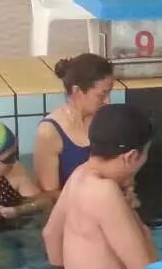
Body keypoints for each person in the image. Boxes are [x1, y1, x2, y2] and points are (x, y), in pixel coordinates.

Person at [43, 104, 158, 269]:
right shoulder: (106, 193)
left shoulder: (79, 175)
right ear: (130, 157)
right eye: (146, 154)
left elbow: (50, 233)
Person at [33, 53, 116, 194]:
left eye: (109, 93)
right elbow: (50, 194)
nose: (108, 101)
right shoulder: (50, 132)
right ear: (77, 91)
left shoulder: (108, 121)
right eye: (102, 95)